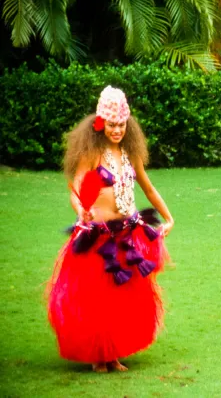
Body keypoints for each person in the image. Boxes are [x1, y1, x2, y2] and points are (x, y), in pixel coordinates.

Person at [47, 86, 174, 372]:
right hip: (99, 236)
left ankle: (113, 354)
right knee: (97, 300)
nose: (117, 130)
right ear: (101, 122)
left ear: (127, 124)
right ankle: (98, 356)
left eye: (121, 124)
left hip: (126, 234)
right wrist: (81, 210)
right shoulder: (92, 154)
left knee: (121, 298)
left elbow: (149, 188)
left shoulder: (130, 153)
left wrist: (168, 217)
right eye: (112, 124)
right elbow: (77, 188)